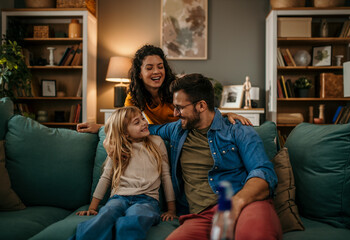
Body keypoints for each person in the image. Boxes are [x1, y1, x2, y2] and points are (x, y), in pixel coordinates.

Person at [148, 74, 282, 240]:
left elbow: (263, 171)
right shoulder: (176, 130)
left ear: (201, 106)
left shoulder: (237, 129)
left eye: (180, 107)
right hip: (202, 216)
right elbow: (145, 129)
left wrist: (237, 202)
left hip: (246, 204)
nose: (175, 113)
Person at [77, 45, 252, 133]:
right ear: (139, 73)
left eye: (160, 66)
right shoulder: (134, 96)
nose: (156, 72)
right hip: (161, 136)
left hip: (186, 133)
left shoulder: (177, 88)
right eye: (149, 67)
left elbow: (201, 108)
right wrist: (100, 128)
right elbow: (124, 123)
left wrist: (226, 115)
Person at [71, 106, 177, 240]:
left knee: (135, 217)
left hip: (147, 200)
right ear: (125, 132)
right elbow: (105, 178)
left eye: (143, 118)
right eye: (137, 122)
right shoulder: (118, 148)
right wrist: (93, 207)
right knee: (106, 214)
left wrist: (171, 209)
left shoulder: (157, 143)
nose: (144, 123)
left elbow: (166, 177)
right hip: (118, 198)